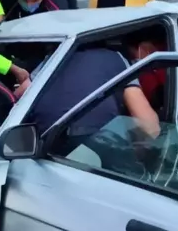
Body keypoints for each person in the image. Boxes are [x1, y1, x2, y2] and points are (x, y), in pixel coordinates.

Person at [17, 47, 160, 171]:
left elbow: (20, 95)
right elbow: (149, 126)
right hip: (100, 148)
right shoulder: (116, 58)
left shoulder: (53, 58)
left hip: (46, 148)